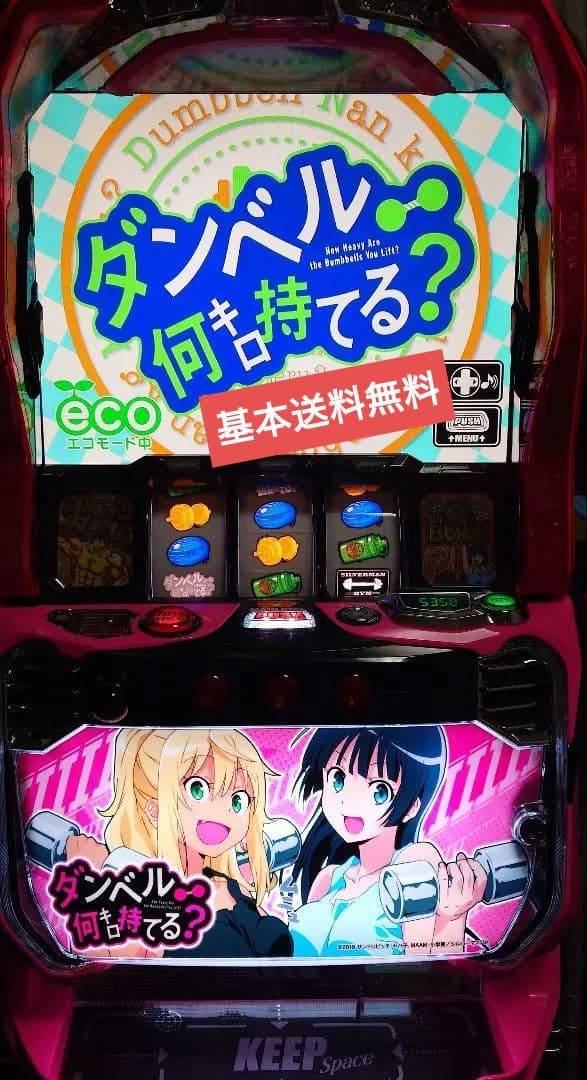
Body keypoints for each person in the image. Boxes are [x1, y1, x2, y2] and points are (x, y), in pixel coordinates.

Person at [65, 727, 293, 958]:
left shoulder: (231, 888)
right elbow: (103, 966)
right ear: (154, 810)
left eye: (237, 801)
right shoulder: (141, 901)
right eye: (198, 789)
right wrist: (86, 883)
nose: (223, 811)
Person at [290, 727, 487, 958]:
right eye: (338, 779)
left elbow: (427, 966)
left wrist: (451, 918)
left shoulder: (414, 864)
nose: (349, 801)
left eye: (379, 791)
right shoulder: (328, 879)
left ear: (412, 806)